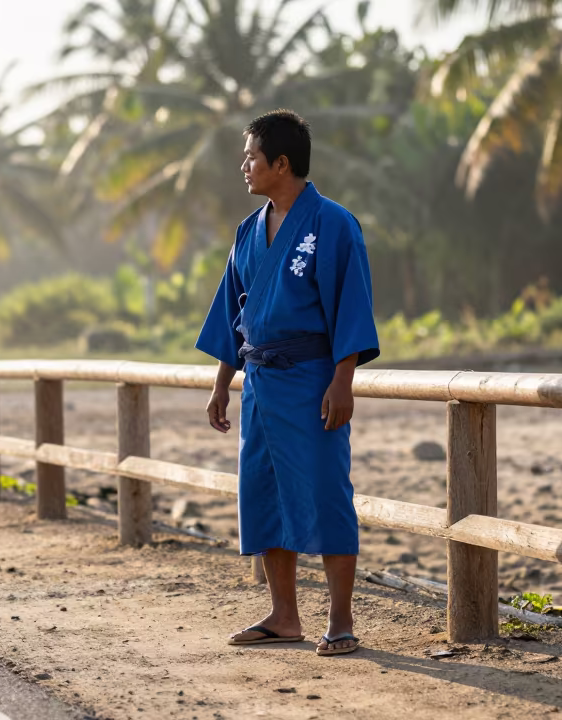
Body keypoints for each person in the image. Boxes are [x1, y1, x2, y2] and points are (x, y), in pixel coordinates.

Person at [196, 109, 379, 657]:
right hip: (258, 385)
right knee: (265, 496)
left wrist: (342, 381)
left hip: (311, 380)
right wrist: (222, 381)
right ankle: (283, 617)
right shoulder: (248, 232)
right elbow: (234, 309)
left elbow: (351, 305)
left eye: (251, 156)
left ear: (281, 162)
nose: (243, 166)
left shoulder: (334, 224)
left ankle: (340, 620)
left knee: (325, 493)